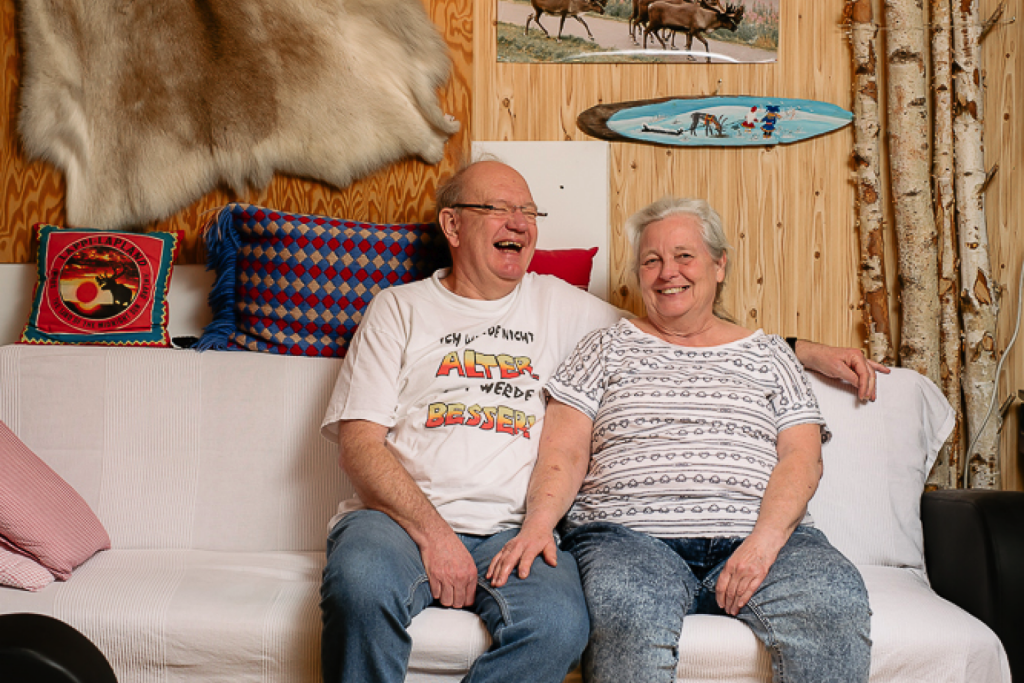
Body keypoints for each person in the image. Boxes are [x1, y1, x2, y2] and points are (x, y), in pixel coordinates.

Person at [319, 162, 883, 683]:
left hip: (512, 532)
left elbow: (686, 323)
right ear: (453, 224)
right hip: (413, 520)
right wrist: (449, 533)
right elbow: (363, 446)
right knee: (362, 588)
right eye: (497, 209)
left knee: (560, 625)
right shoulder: (400, 309)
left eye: (528, 212)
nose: (518, 222)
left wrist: (803, 349)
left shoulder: (562, 305)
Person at [487, 197, 873, 683]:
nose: (668, 272)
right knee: (624, 611)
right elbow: (564, 449)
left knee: (835, 601)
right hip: (628, 540)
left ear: (719, 264)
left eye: (684, 256)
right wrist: (539, 523)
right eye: (652, 260)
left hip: (767, 539)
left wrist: (764, 543)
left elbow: (802, 458)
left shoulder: (770, 354)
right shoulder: (605, 346)